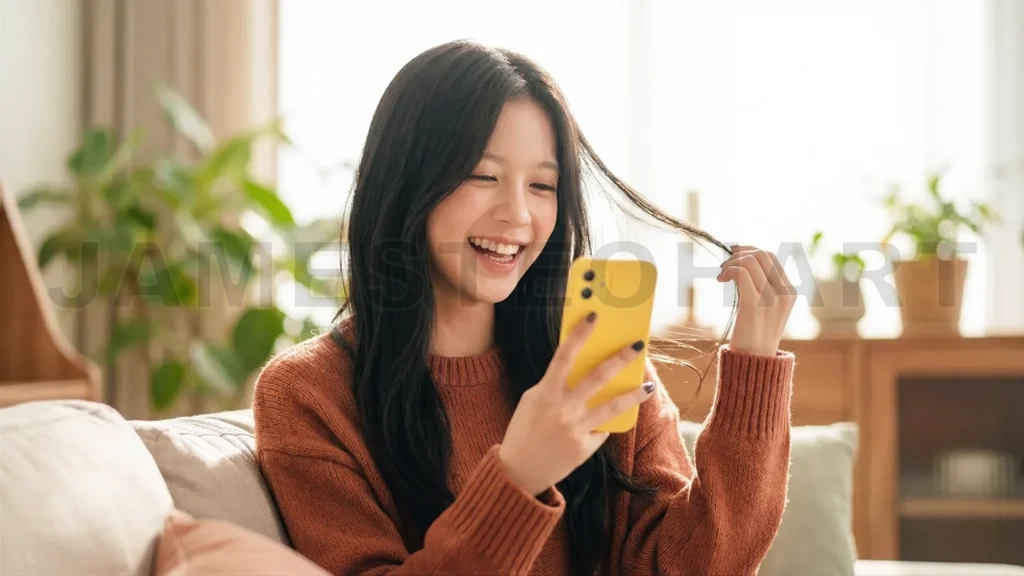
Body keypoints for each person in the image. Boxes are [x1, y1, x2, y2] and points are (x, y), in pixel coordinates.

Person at [253, 39, 797, 576]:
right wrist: (518, 475)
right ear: (407, 179)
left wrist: (754, 359)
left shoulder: (593, 357)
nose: (517, 214)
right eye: (482, 175)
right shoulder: (308, 396)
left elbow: (697, 567)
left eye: (542, 185)